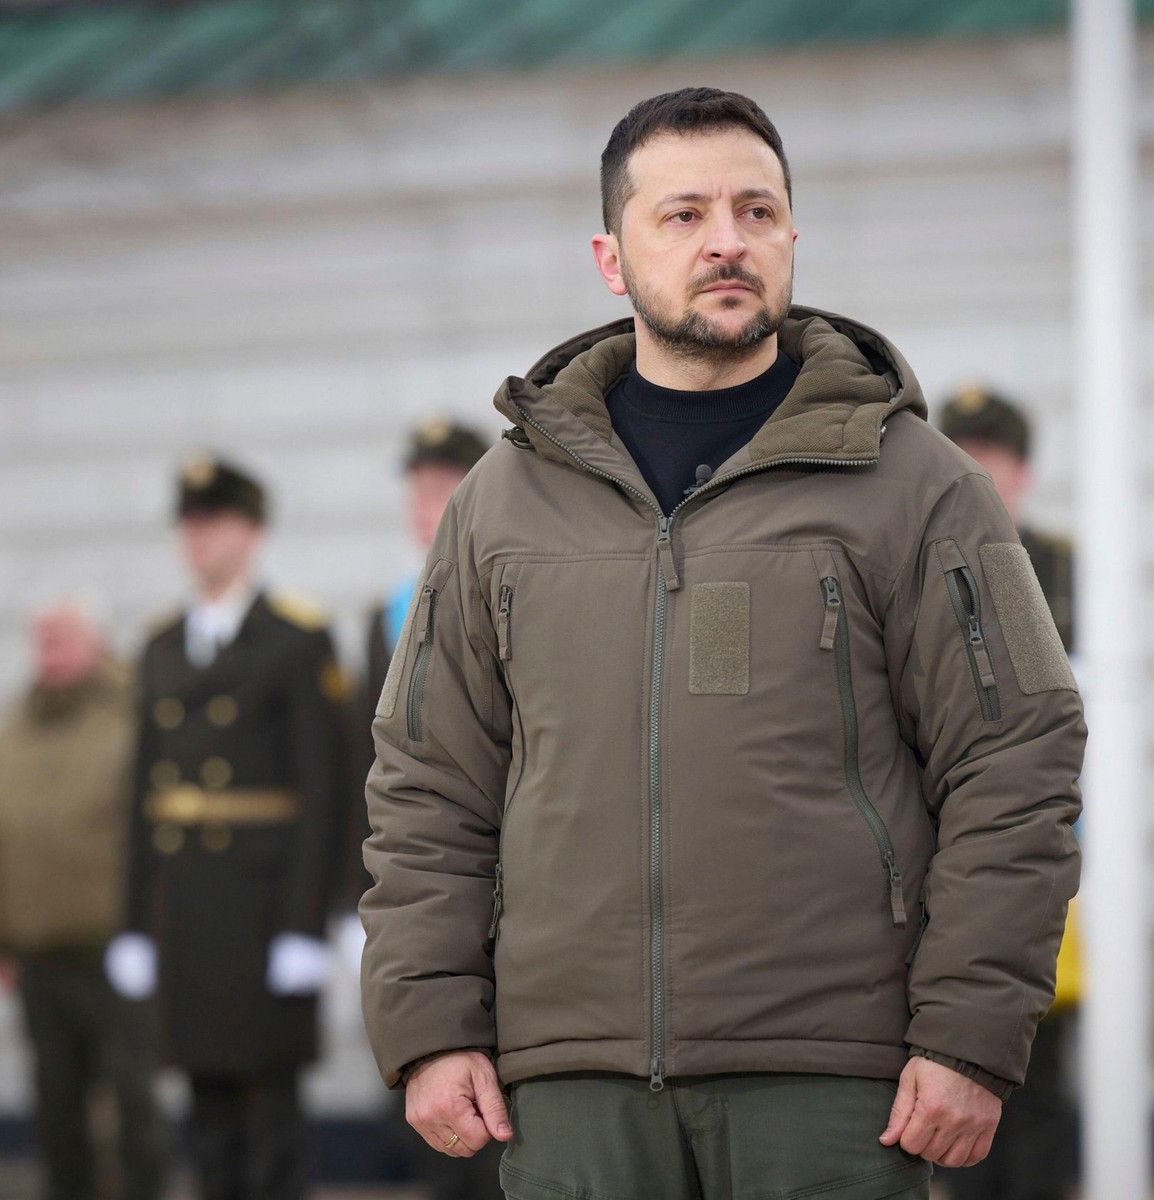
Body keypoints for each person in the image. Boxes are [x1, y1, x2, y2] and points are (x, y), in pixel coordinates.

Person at [359, 87, 1085, 1200]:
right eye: (684, 215)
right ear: (612, 256)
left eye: (757, 211)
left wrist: (968, 1035)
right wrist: (428, 1022)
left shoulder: (924, 490)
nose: (727, 242)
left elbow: (1018, 761)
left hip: (836, 1086)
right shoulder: (498, 507)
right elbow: (427, 781)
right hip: (571, 1086)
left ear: (794, 235)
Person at [107, 456, 350, 1200]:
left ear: (252, 533)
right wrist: (132, 922)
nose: (198, 540)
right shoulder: (160, 645)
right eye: (189, 525)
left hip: (263, 908)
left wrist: (310, 923)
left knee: (270, 1111)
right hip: (185, 904)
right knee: (205, 1109)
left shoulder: (296, 639)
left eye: (213, 524)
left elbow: (327, 792)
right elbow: (141, 795)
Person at [0, 601, 167, 1200]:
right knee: (55, 1102)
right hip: (37, 951)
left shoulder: (131, 715)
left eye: (64, 640)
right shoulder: (14, 726)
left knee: (134, 1095)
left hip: (115, 948)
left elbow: (155, 832)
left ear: (96, 643)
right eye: (42, 642)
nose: (51, 654)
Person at [347, 418, 499, 1199]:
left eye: (441, 492)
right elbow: (368, 770)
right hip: (417, 882)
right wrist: (354, 904)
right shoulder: (388, 614)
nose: (425, 511)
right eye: (417, 496)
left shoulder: (511, 593)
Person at [937, 386, 1082, 1200]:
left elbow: (1052, 716)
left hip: (1045, 847)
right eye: (965, 456)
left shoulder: (1052, 572)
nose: (981, 474)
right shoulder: (916, 566)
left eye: (994, 457)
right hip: (947, 853)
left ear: (1023, 472)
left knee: (1043, 1062)